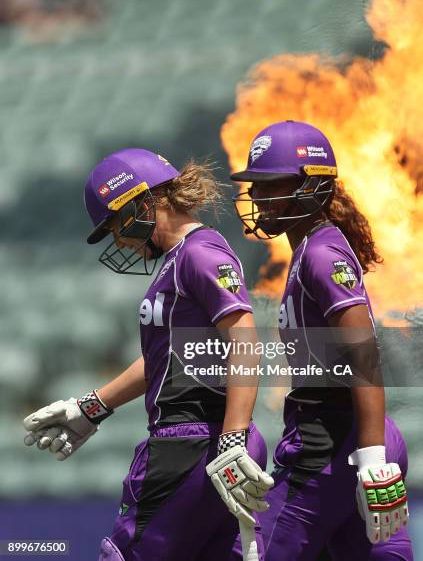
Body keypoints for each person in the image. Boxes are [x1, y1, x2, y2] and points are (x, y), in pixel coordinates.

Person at [22, 148, 273, 560]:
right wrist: (92, 407)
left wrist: (233, 437)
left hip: (191, 446)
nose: (119, 239)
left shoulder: (199, 252)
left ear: (144, 200)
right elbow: (166, 358)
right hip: (206, 447)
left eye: (116, 224)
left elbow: (244, 339)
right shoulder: (181, 260)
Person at [230, 121, 412, 560]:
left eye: (273, 185)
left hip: (333, 445)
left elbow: (363, 352)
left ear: (312, 187)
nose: (258, 197)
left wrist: (371, 458)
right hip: (347, 439)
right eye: (257, 185)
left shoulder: (319, 253)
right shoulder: (311, 248)